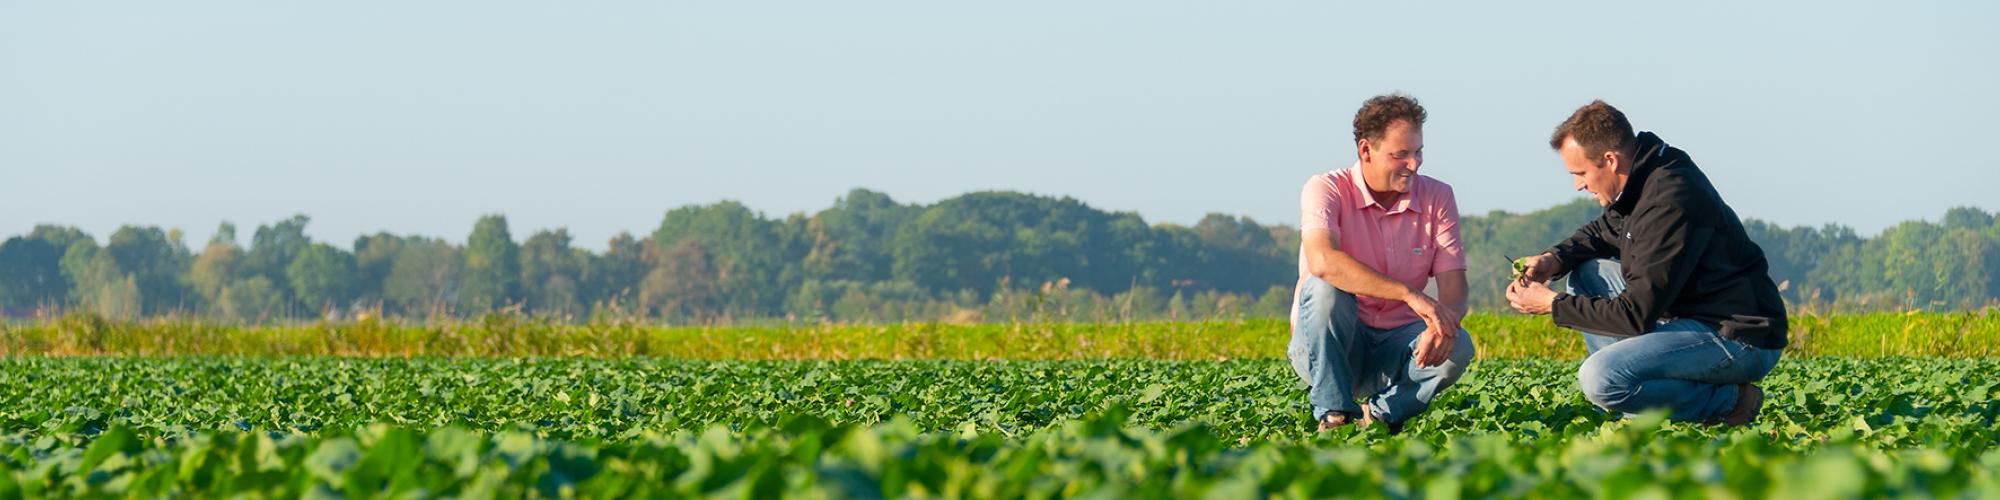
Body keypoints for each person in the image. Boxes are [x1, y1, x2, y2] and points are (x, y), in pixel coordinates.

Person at [1505, 100, 1788, 426]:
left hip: (1738, 337)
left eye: (1581, 173)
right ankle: (1635, 407)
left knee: (1600, 378)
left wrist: (1552, 304)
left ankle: (1729, 402)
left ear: (1610, 160)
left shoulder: (1668, 200)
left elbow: (1634, 315)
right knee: (1586, 274)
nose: (1578, 185)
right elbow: (1602, 231)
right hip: (1690, 315)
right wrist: (1553, 260)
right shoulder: (1642, 177)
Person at [1288, 93, 1476, 433]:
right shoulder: (1326, 189)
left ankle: (1378, 415)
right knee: (1325, 287)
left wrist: (1444, 324)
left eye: (1418, 152)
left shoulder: (1438, 196)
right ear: (1366, 150)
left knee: (1459, 345)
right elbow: (1322, 260)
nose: (1414, 164)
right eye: (1400, 154)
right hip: (1329, 346)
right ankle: (1334, 415)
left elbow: (1454, 287)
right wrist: (1408, 293)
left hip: (1399, 345)